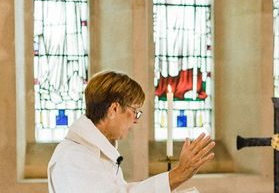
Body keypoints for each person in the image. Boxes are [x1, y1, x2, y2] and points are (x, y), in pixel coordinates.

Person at [48, 70, 215, 192]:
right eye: (135, 111)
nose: (136, 120)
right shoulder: (74, 157)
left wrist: (177, 178)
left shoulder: (93, 152)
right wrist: (178, 174)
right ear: (114, 109)